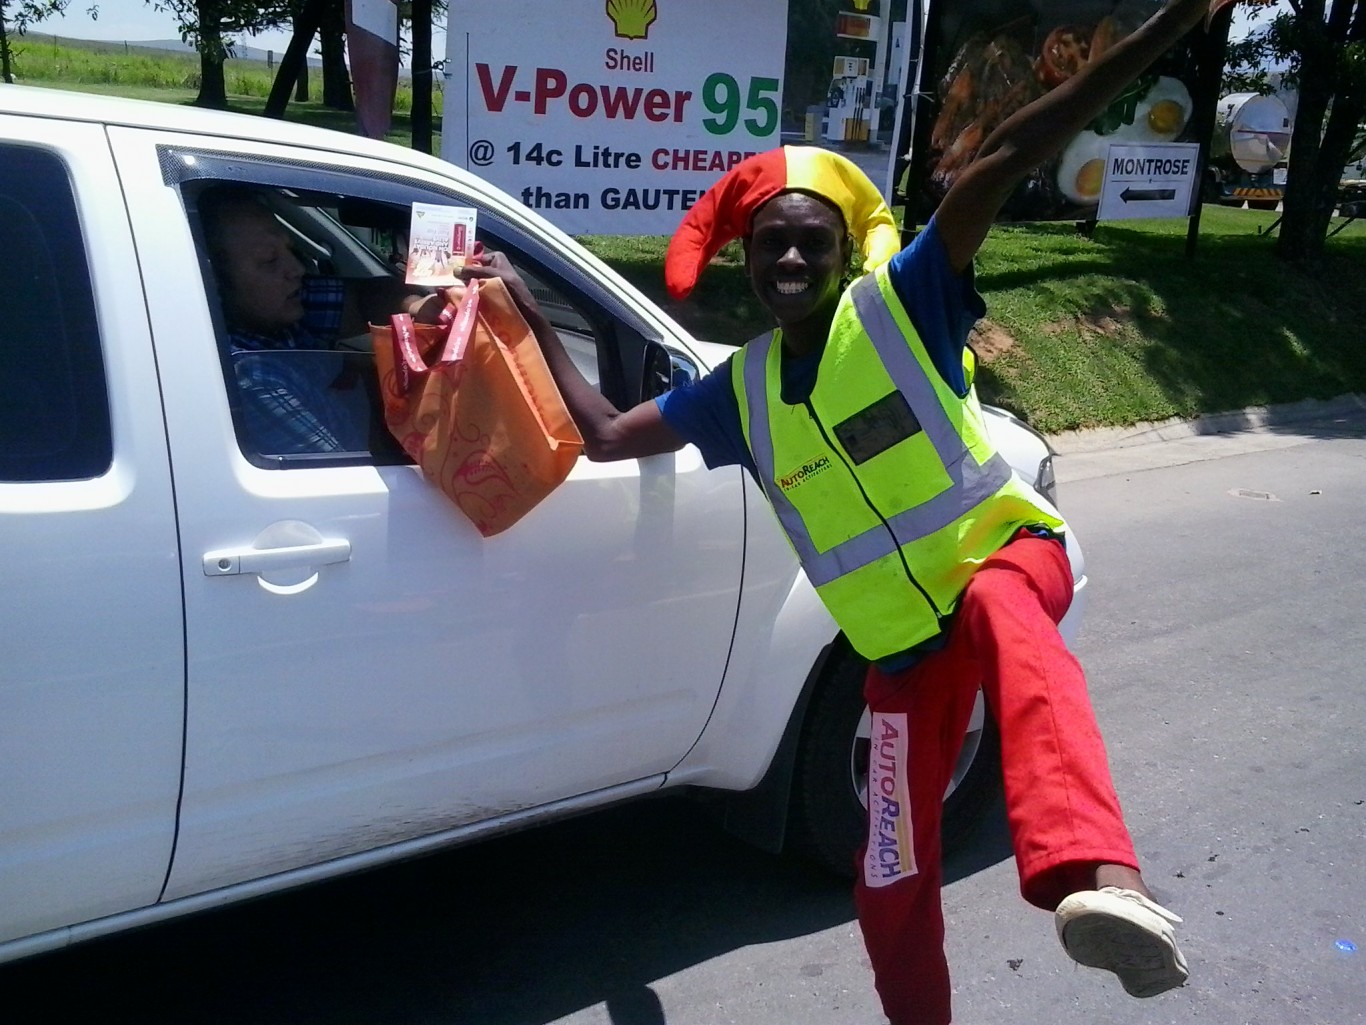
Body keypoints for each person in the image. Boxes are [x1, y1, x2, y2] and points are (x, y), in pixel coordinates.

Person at [460, 1, 1224, 1021]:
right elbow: (602, 431)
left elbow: (1007, 146)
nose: (787, 261)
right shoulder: (737, 390)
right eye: (769, 243)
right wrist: (514, 299)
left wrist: (1155, 33)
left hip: (1004, 556)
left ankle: (1098, 879)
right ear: (746, 255)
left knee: (1007, 615)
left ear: (841, 247)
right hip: (903, 654)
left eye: (808, 243)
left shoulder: (906, 299)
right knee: (886, 876)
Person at [199, 186, 443, 456]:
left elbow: (367, 297)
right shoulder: (250, 377)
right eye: (269, 261)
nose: (297, 269)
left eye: (291, 251)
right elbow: (340, 473)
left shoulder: (276, 309)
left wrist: (415, 307)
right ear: (214, 283)